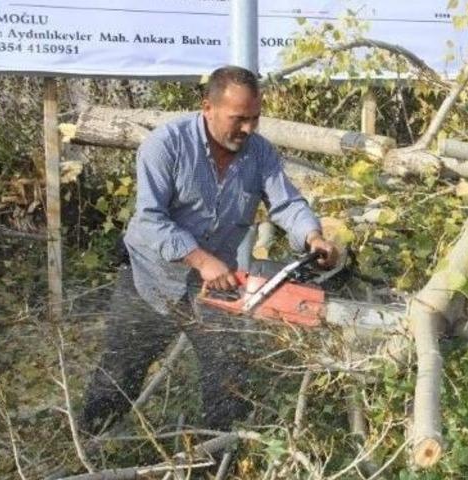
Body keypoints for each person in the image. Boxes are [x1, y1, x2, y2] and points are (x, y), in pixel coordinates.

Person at [80, 65, 338, 434]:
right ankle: (90, 448)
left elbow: (286, 203)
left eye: (255, 118)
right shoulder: (166, 144)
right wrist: (200, 259)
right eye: (238, 119)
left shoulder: (259, 153)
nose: (248, 129)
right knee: (118, 376)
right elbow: (150, 219)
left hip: (216, 289)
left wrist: (313, 236)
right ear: (208, 107)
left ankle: (216, 458)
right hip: (149, 279)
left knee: (229, 375)